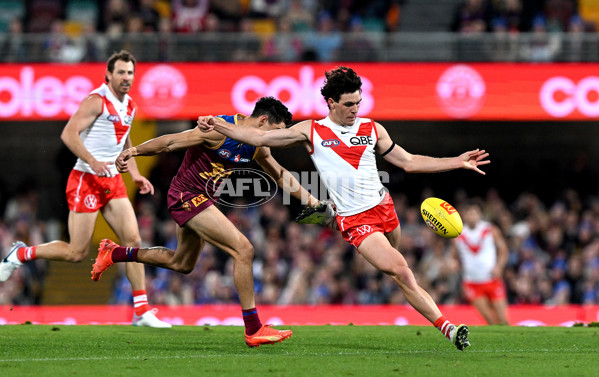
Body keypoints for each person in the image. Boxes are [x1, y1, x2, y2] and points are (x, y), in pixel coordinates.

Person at [198, 66, 492, 350]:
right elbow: (259, 137)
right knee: (402, 271)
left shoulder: (372, 128)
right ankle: (450, 329)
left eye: (358, 103)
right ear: (331, 103)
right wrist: (218, 125)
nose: (355, 109)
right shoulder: (310, 130)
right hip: (354, 219)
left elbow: (409, 162)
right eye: (349, 104)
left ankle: (393, 286)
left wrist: (456, 161)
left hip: (384, 207)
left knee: (399, 271)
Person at [91, 96, 319, 347]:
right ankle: (253, 329)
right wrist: (134, 151)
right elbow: (170, 142)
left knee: (182, 263)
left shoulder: (258, 146)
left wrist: (312, 201)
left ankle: (115, 253)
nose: (278, 140)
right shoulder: (218, 129)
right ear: (263, 121)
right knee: (244, 249)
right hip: (186, 195)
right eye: (277, 132)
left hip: (204, 200)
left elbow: (280, 175)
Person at [0, 50, 170, 328]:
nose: (127, 78)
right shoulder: (95, 101)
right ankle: (20, 253)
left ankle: (141, 311)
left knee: (133, 241)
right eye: (121, 72)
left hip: (113, 181)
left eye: (130, 73)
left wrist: (137, 175)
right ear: (109, 75)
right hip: (86, 179)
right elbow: (68, 133)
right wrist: (93, 161)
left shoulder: (130, 106)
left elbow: (124, 142)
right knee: (76, 253)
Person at [451, 200, 509, 325]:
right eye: (469, 213)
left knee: (503, 318)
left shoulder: (490, 230)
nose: (472, 216)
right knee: (489, 320)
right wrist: (454, 264)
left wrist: (499, 267)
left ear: (480, 215)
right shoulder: (457, 234)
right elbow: (454, 256)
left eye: (474, 213)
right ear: (464, 215)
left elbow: (503, 249)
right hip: (472, 282)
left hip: (492, 279)